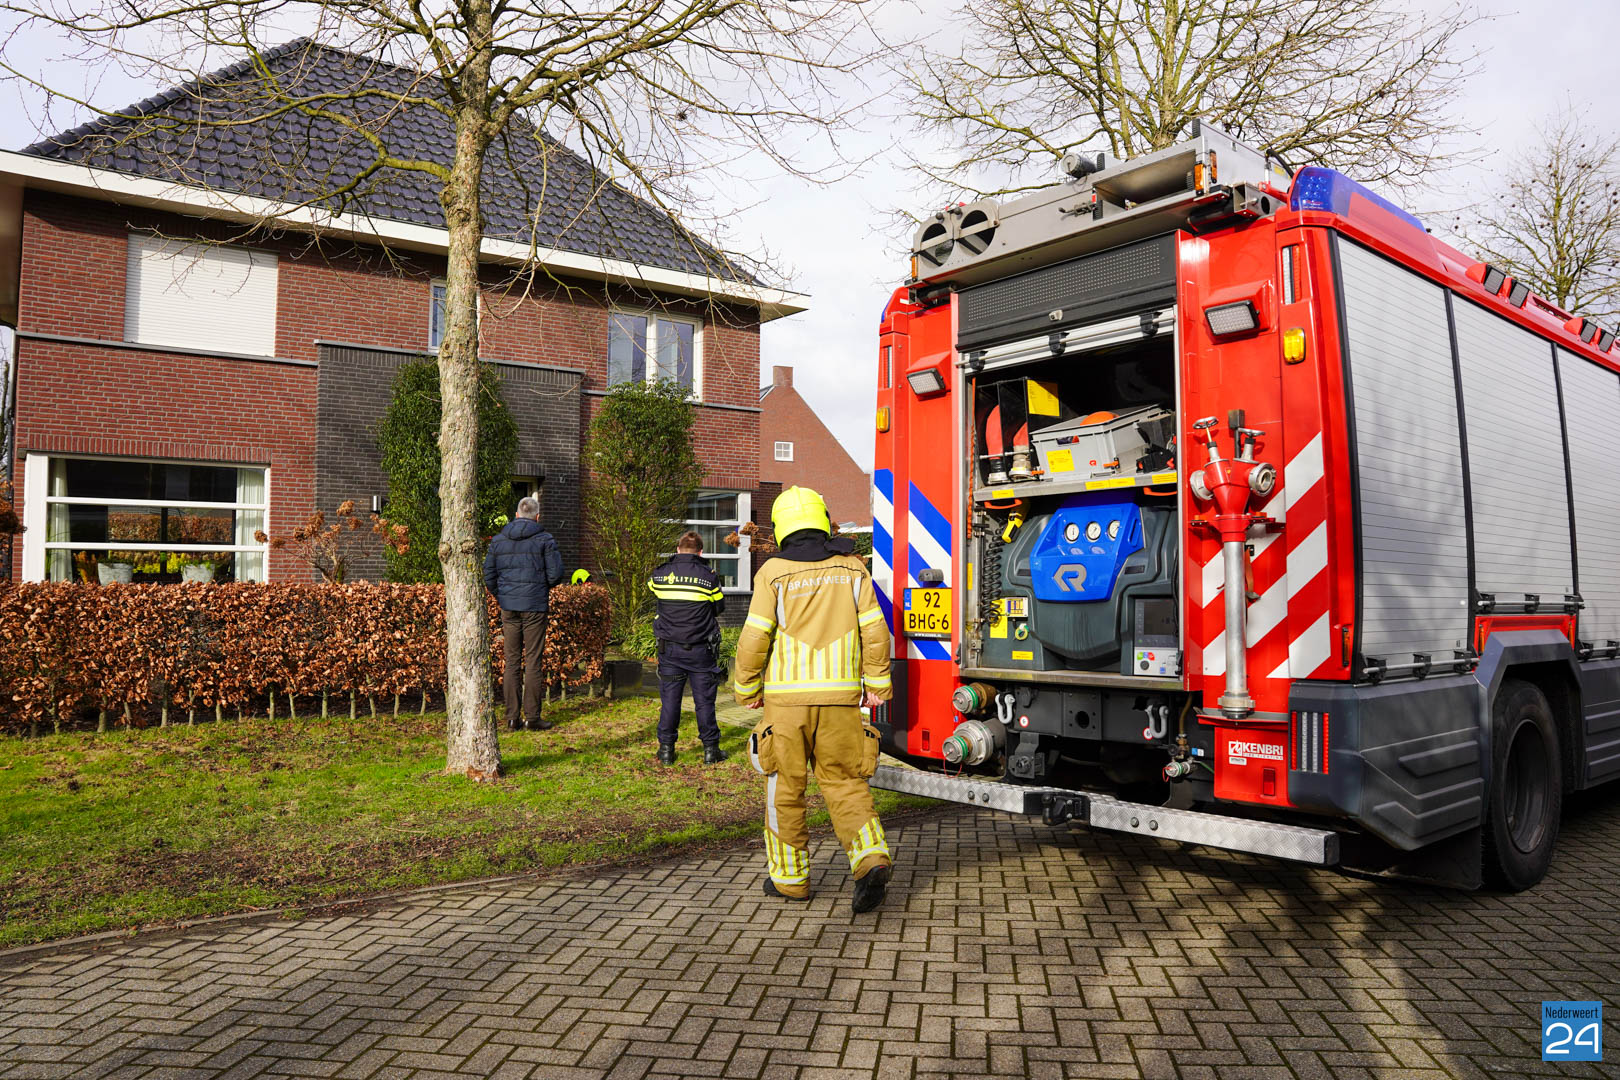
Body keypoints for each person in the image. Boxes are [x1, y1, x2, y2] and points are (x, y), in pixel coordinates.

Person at [733, 486, 894, 915]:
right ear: (823, 521)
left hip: (786, 705)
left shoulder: (771, 572)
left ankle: (790, 882)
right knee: (845, 783)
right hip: (842, 702)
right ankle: (870, 859)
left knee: (784, 789)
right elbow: (876, 631)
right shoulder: (853, 567)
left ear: (781, 526)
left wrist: (746, 687)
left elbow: (755, 636)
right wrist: (877, 683)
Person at [483, 496, 564, 731]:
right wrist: (538, 589)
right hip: (535, 606)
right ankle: (532, 717)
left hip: (509, 606)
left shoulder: (499, 540)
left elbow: (489, 575)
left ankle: (511, 717)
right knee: (533, 662)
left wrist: (503, 595)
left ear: (516, 515)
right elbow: (556, 574)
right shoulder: (545, 539)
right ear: (537, 517)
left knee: (511, 662)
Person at [648, 531, 728, 766]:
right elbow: (719, 607)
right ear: (701, 552)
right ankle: (711, 751)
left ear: (677, 548)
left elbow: (654, 592)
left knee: (670, 701)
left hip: (670, 649)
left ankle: (666, 751)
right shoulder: (708, 577)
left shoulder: (660, 574)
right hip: (701, 650)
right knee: (704, 701)